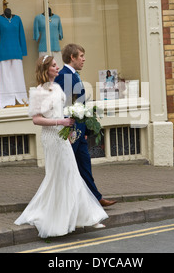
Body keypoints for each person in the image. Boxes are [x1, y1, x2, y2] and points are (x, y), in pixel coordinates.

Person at [14, 55, 108, 238]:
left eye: (57, 65)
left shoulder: (57, 87)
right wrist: (61, 121)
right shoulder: (38, 92)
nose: (58, 68)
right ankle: (59, 218)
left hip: (63, 137)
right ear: (46, 69)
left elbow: (62, 110)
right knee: (58, 176)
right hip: (51, 138)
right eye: (54, 66)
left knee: (71, 173)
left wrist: (74, 116)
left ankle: (87, 217)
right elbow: (36, 119)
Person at [55, 44, 117, 207]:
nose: (83, 59)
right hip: (72, 129)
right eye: (81, 56)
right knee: (68, 166)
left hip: (80, 129)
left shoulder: (74, 74)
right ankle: (62, 200)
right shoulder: (64, 75)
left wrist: (87, 128)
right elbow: (67, 105)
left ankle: (96, 197)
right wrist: (68, 131)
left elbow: (80, 103)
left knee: (84, 164)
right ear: (72, 58)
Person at [0, 7, 28, 108]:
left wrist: (23, 51)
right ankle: (6, 101)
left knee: (19, 76)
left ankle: (22, 98)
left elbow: (21, 35)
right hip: (3, 52)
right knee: (5, 77)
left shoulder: (17, 19)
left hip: (17, 51)